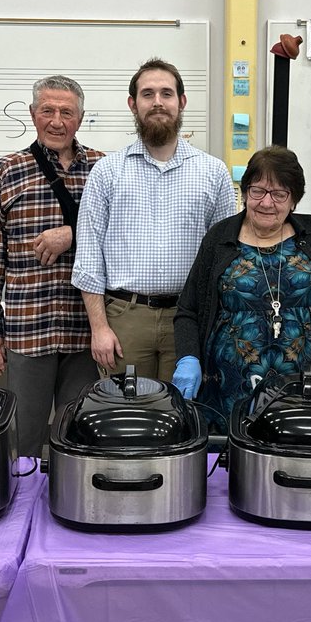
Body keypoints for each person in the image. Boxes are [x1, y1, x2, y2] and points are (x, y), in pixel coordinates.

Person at [72, 57, 237, 381]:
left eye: (166, 93)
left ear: (182, 102)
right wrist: (99, 328)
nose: (158, 102)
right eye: (148, 94)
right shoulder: (107, 173)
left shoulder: (213, 173)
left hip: (189, 319)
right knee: (126, 420)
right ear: (133, 104)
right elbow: (89, 258)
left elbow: (225, 259)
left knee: (184, 419)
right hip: (125, 321)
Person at [173, 146, 311, 429]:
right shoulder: (220, 238)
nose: (267, 203)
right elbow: (188, 309)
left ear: (294, 200)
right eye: (258, 191)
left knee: (295, 457)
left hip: (304, 389)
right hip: (227, 390)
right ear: (245, 193)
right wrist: (188, 358)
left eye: (279, 194)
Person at [0, 75, 103, 457]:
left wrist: (71, 233)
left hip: (87, 329)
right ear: (33, 115)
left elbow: (122, 239)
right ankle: (19, 513)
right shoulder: (8, 170)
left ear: (80, 119)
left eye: (67, 112)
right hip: (27, 329)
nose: (56, 121)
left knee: (79, 437)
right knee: (22, 439)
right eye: (47, 110)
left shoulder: (104, 168)